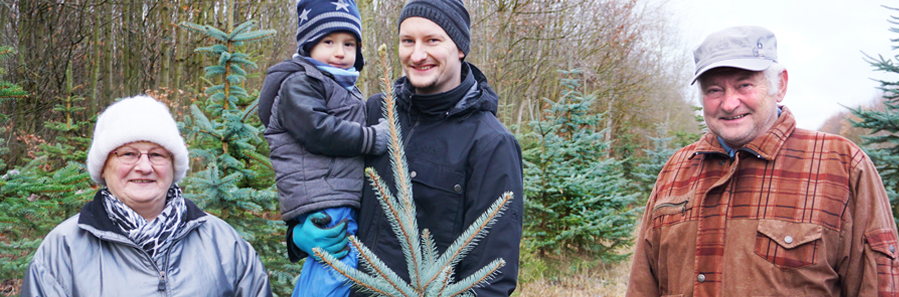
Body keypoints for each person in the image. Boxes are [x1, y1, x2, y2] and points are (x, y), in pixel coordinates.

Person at [626, 26, 899, 296]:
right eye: (714, 90)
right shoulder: (676, 169)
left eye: (744, 85)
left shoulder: (841, 164)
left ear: (780, 85)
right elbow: (642, 285)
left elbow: (880, 286)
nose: (729, 103)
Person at [351, 0, 524, 296]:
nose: (417, 55)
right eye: (408, 41)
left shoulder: (491, 143)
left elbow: (492, 277)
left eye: (432, 40)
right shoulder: (376, 111)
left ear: (459, 47)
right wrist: (299, 233)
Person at [20, 95, 271, 296]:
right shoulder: (63, 250)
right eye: (128, 153)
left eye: (157, 155)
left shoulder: (225, 244)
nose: (144, 166)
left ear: (173, 166)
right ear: (103, 166)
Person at [256, 0, 388, 296]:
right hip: (324, 191)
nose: (340, 52)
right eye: (328, 42)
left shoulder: (337, 85)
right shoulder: (302, 81)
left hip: (333, 189)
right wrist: (372, 138)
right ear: (308, 46)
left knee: (325, 264)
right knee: (338, 264)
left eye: (349, 44)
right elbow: (318, 130)